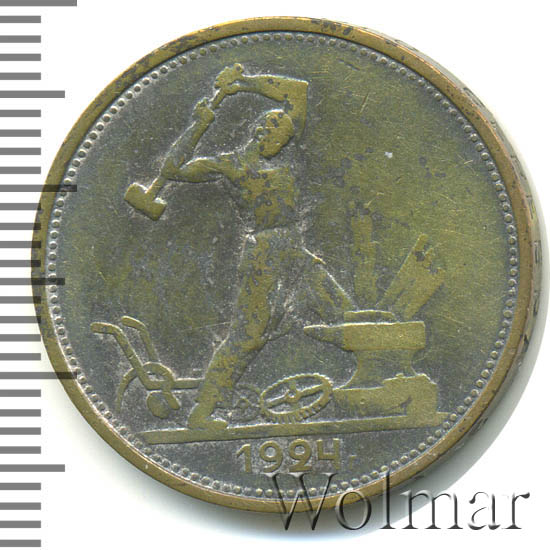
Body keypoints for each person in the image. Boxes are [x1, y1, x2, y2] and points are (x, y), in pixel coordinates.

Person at [161, 64, 354, 429]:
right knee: (248, 337)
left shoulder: (288, 155)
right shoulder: (231, 165)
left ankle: (370, 392)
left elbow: (298, 90)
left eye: (285, 137)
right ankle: (202, 413)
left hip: (294, 248)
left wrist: (244, 84)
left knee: (344, 310)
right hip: (263, 253)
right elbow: (172, 170)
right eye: (274, 135)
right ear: (258, 131)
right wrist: (197, 125)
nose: (281, 143)